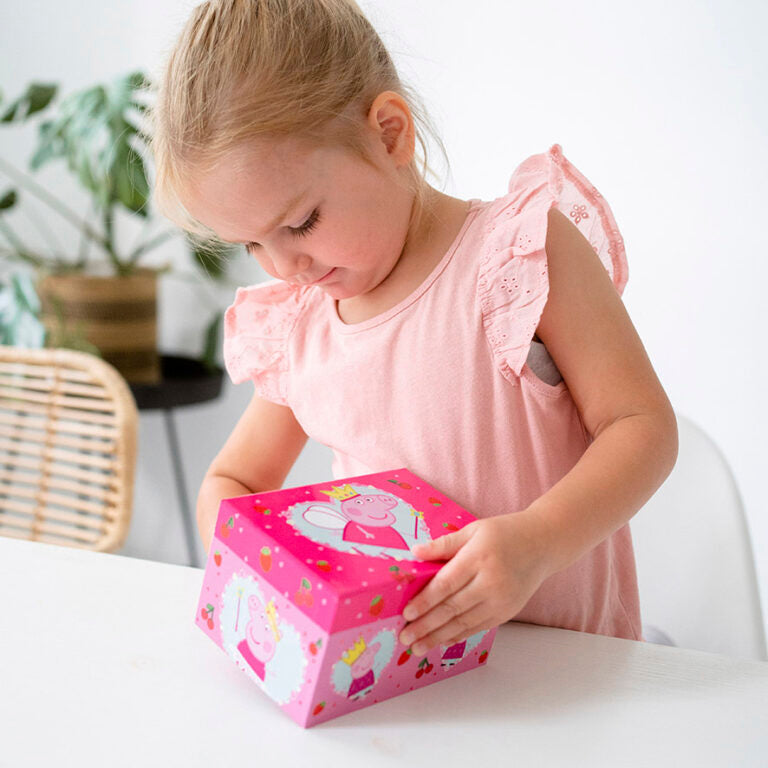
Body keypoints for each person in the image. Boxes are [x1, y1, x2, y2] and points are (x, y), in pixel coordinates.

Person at [149, 0, 678, 655]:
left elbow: (642, 427)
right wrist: (259, 573)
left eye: (301, 223)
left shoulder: (517, 254)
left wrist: (538, 541)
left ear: (390, 134)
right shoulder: (299, 324)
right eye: (251, 244)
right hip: (398, 679)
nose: (285, 266)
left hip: (566, 673)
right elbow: (235, 485)